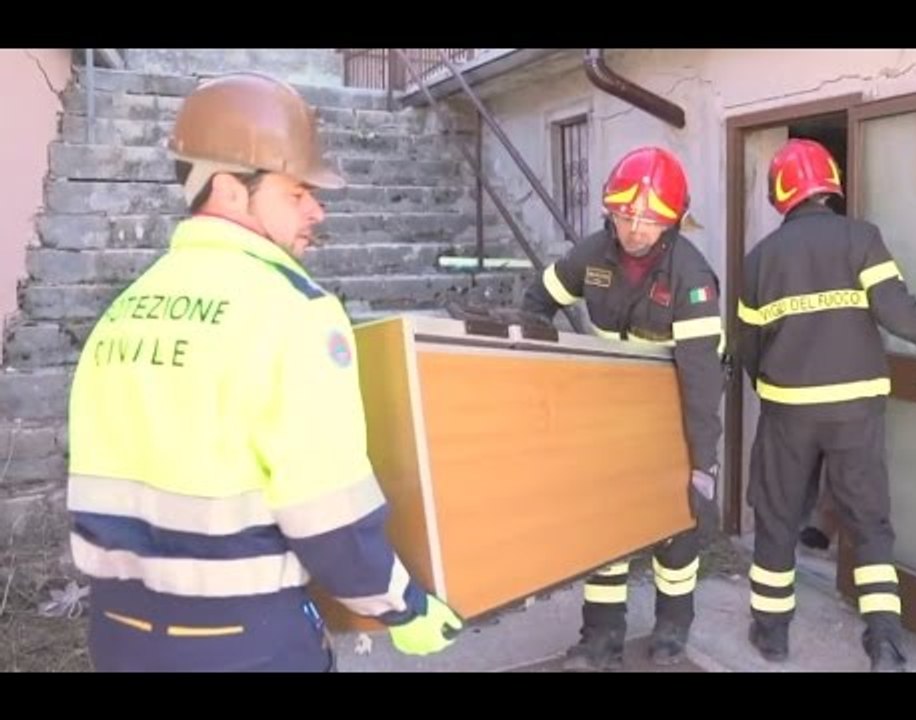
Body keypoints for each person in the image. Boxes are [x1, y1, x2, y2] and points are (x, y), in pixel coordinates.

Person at [65, 72, 462, 672]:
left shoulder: (123, 312)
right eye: (297, 191)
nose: (318, 211)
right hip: (244, 640)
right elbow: (328, 516)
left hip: (118, 635)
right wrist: (403, 607)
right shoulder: (294, 313)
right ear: (228, 189)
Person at [738, 138, 916, 672]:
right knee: (869, 523)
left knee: (777, 517)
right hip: (857, 412)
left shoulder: (760, 259)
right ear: (829, 185)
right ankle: (884, 640)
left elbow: (747, 347)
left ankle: (771, 635)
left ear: (781, 191)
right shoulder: (862, 239)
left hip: (788, 411)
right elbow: (903, 318)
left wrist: (770, 387)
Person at [521, 146, 725, 671]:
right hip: (608, 415)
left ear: (673, 221)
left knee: (677, 531)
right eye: (625, 214)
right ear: (609, 211)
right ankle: (600, 639)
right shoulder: (590, 256)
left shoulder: (693, 277)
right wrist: (548, 358)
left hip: (671, 418)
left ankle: (672, 631)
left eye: (650, 218)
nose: (635, 228)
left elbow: (702, 381)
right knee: (603, 528)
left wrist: (703, 466)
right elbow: (538, 298)